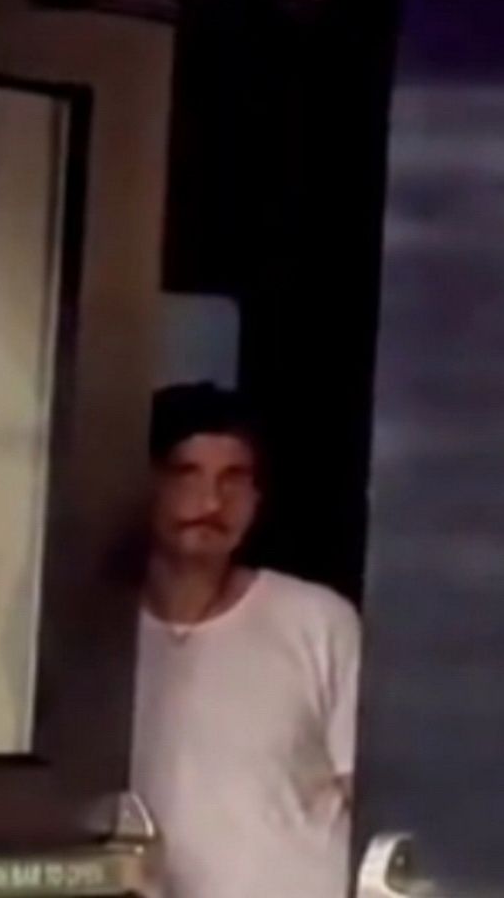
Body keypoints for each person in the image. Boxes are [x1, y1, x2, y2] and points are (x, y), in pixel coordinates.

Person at [132, 383, 361, 898]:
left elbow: (366, 797)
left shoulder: (316, 621)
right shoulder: (93, 635)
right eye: (186, 475)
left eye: (233, 480)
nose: (211, 502)